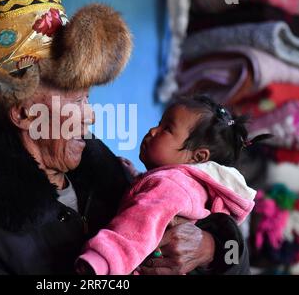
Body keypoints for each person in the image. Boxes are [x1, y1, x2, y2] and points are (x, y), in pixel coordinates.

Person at [0, 0, 250, 275]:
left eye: (88, 97)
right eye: (76, 101)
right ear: (22, 113)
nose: (90, 115)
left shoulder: (117, 179)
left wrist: (208, 248)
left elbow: (234, 258)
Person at [76, 95, 271, 275]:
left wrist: (101, 260)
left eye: (167, 129)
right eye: (159, 124)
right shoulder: (191, 187)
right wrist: (137, 178)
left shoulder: (170, 186)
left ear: (198, 156)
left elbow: (139, 225)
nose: (153, 131)